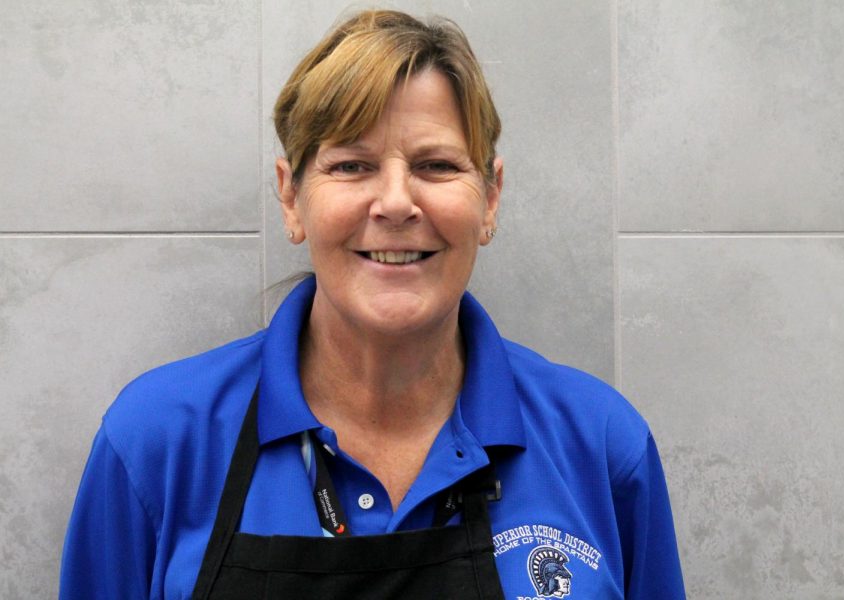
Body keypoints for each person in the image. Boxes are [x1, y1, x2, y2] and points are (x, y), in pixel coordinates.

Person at [60, 9, 685, 599]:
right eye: (352, 165)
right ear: (290, 197)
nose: (394, 203)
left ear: (490, 198)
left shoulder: (601, 446)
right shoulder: (158, 441)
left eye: (437, 166)